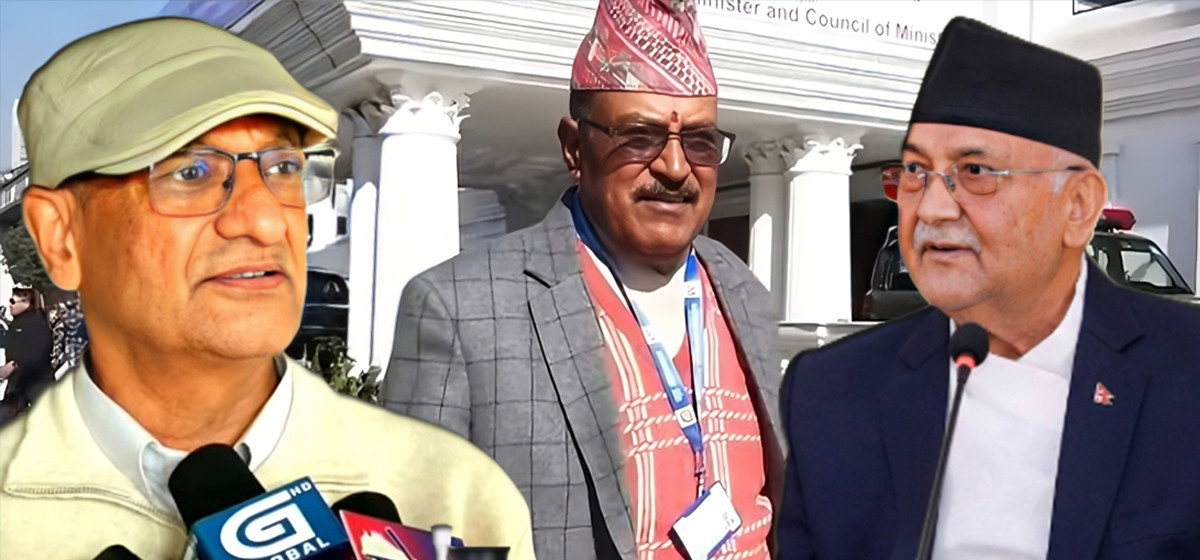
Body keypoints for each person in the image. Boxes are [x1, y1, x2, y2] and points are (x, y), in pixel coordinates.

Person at [0, 17, 534, 559]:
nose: (265, 220)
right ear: (62, 236)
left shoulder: (464, 493)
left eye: (283, 168)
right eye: (190, 173)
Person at [776, 16, 1200, 560]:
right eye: (915, 171)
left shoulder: (1185, 375)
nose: (931, 208)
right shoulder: (830, 393)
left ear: (1077, 206)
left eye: (975, 171)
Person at [383, 1, 783, 558]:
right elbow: (411, 538)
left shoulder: (741, 288)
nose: (675, 168)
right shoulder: (458, 309)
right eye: (638, 136)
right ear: (574, 149)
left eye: (698, 141)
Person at [0, 286, 54, 422]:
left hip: (35, 384)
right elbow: (9, 339)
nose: (9, 305)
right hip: (21, 384)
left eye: (13, 301)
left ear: (27, 303)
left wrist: (13, 365)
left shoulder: (35, 323)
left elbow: (37, 351)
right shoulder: (22, 322)